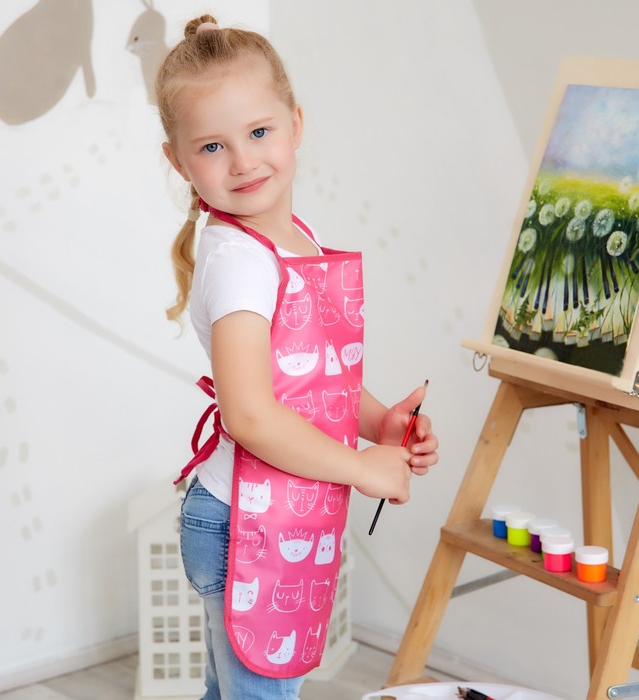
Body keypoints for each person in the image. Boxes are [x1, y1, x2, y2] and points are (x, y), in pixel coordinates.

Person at [156, 15, 439, 700]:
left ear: (296, 124)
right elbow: (251, 415)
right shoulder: (240, 263)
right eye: (213, 146)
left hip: (279, 512)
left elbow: (312, 376)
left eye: (259, 132)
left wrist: (377, 423)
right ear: (179, 161)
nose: (243, 161)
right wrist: (361, 468)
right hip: (246, 523)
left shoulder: (291, 236)